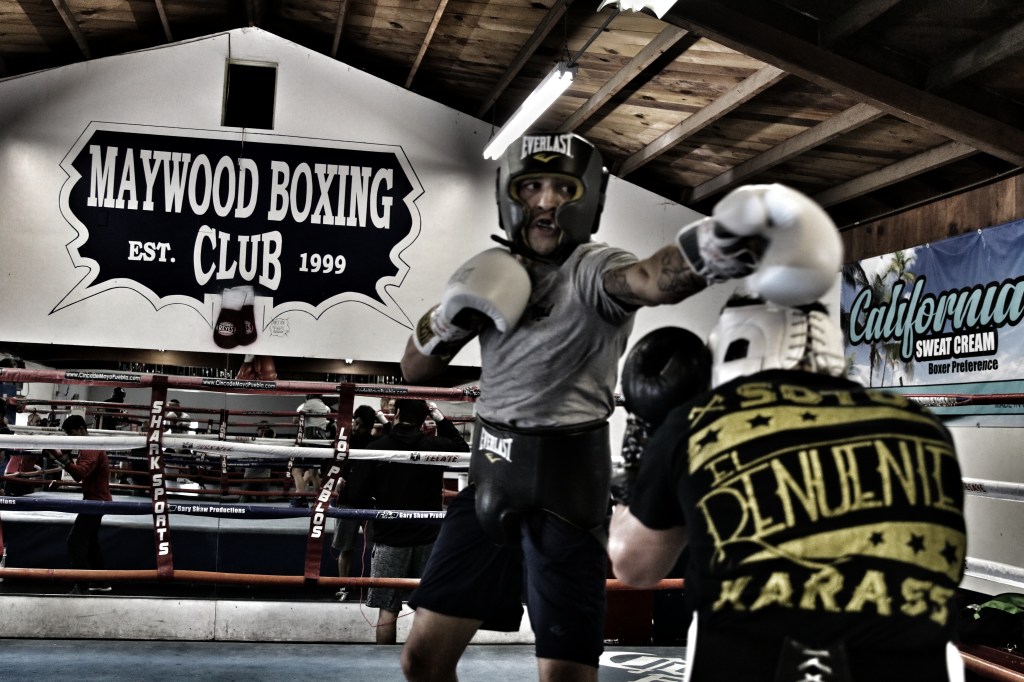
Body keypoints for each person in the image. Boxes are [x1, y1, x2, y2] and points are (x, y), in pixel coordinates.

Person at [398, 131, 841, 681]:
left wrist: (720, 241)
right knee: (421, 661)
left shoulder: (595, 271)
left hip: (568, 489)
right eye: (531, 185)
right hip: (489, 476)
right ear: (510, 195)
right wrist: (447, 320)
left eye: (562, 187)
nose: (545, 202)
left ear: (585, 197)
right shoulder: (483, 273)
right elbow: (414, 372)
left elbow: (654, 278)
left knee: (564, 678)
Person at [607, 296, 967, 682]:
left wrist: (642, 442)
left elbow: (633, 566)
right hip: (913, 666)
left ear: (729, 344)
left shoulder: (702, 422)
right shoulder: (923, 425)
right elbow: (949, 567)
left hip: (749, 663)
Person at [347, 399, 469, 644]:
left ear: (397, 413)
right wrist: (439, 417)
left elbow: (356, 494)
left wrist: (378, 496)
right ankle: (420, 664)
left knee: (387, 609)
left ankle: (383, 670)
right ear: (424, 419)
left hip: (390, 536)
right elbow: (462, 449)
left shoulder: (378, 446)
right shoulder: (433, 446)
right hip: (427, 535)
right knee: (426, 607)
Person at [46, 414, 114, 595]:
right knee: (91, 542)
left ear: (82, 430)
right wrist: (64, 456)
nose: (70, 437)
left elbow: (80, 474)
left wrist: (60, 456)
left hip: (96, 503)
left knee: (75, 542)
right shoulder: (88, 446)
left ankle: (82, 587)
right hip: (96, 500)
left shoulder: (90, 448)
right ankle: (102, 582)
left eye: (71, 433)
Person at [332, 404, 381, 601]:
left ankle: (374, 587)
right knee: (345, 548)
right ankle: (343, 587)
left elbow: (394, 441)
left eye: (359, 424)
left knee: (376, 550)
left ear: (369, 426)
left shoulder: (377, 443)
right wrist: (338, 478)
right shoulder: (346, 441)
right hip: (347, 502)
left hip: (370, 503)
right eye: (354, 422)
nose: (355, 426)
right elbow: (333, 462)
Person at [290, 394, 331, 507]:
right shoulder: (323, 405)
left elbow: (295, 420)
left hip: (309, 439)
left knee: (296, 470)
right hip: (320, 440)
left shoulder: (309, 403)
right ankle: (318, 500)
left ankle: (301, 499)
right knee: (313, 472)